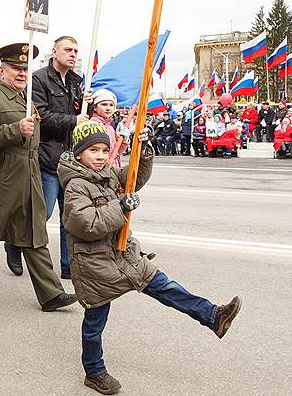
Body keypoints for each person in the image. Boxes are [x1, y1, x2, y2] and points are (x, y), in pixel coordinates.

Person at [59, 121, 241, 395]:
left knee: (166, 286)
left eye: (104, 150)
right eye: (93, 150)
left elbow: (135, 177)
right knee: (95, 323)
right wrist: (119, 206)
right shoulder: (75, 186)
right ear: (79, 154)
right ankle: (94, 372)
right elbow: (84, 224)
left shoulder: (106, 174)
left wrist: (142, 149)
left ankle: (213, 315)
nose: (100, 155)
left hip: (123, 256)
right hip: (95, 266)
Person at [0, 43, 77, 312]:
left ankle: (50, 294)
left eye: (25, 69)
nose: (22, 73)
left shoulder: (28, 101)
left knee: (34, 233)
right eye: (16, 68)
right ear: (2, 71)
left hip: (29, 173)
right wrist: (16, 129)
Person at [31, 35, 89, 281]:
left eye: (76, 50)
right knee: (42, 214)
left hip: (71, 159)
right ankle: (16, 245)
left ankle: (68, 266)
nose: (73, 54)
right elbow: (40, 116)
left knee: (71, 216)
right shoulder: (39, 78)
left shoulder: (76, 81)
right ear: (54, 52)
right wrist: (74, 119)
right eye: (68, 49)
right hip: (48, 157)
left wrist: (86, 107)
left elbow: (78, 115)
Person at [89, 89, 127, 167]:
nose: (108, 108)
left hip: (113, 169)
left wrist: (124, 141)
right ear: (95, 107)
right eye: (104, 104)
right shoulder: (91, 125)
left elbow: (117, 152)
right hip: (101, 170)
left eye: (111, 105)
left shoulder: (110, 126)